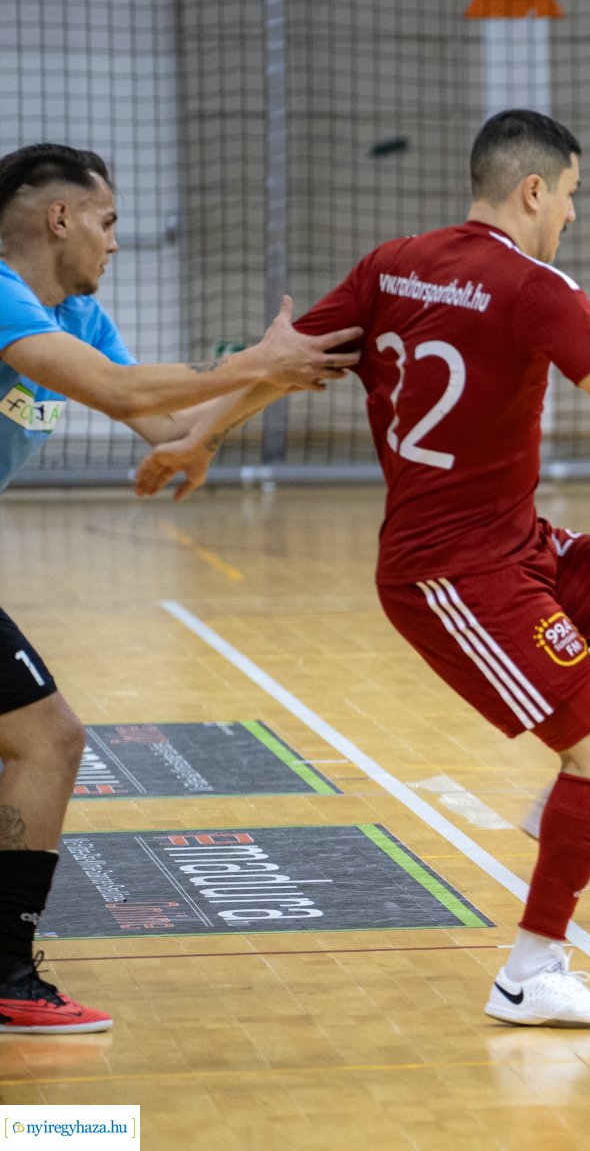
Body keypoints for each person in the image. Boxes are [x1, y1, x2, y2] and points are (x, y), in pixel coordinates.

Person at [139, 110, 590, 1027]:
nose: (574, 217)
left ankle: (565, 808)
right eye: (573, 196)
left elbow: (281, 365)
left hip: (517, 545)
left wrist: (201, 437)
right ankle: (531, 971)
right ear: (534, 190)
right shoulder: (535, 285)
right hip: (452, 574)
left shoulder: (389, 264)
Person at [0, 142, 360, 1033]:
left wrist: (267, 378)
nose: (115, 243)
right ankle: (7, 976)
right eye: (108, 221)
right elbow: (126, 395)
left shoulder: (74, 314)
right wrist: (249, 365)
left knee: (38, 740)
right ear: (60, 219)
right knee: (48, 740)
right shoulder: (4, 297)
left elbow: (167, 420)